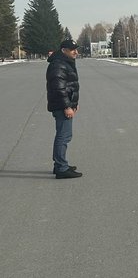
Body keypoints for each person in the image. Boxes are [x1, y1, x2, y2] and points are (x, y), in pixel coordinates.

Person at [47, 39, 82, 179]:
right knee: (63, 136)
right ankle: (62, 168)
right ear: (63, 50)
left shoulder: (64, 62)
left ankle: (59, 165)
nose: (76, 52)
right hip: (62, 106)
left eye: (76, 49)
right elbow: (59, 89)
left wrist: (74, 103)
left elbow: (69, 85)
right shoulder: (59, 64)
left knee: (63, 135)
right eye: (72, 49)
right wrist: (67, 106)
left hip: (65, 105)